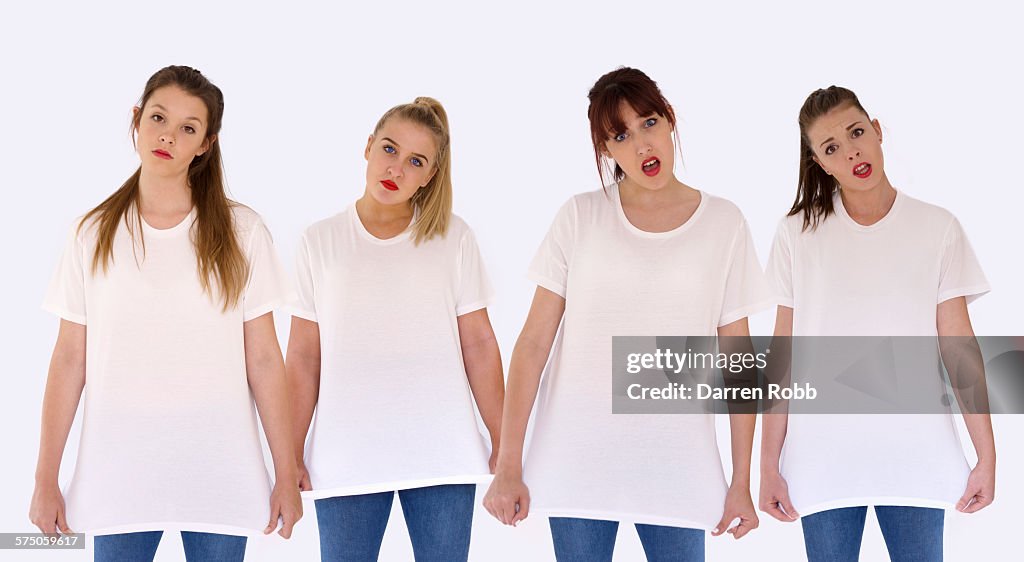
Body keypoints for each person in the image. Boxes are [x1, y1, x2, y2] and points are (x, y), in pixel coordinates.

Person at [483, 67, 770, 562]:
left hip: (679, 469)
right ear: (606, 151)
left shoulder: (724, 223)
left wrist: (741, 480)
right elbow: (532, 345)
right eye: (621, 135)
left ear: (670, 120)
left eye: (649, 122)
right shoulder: (580, 216)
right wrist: (509, 464)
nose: (642, 145)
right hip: (577, 463)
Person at [30, 65, 302, 562]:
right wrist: (45, 478)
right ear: (136, 119)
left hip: (220, 472)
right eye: (158, 117)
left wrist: (286, 471)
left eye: (188, 128)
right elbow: (71, 359)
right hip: (117, 479)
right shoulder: (90, 234)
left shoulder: (243, 232)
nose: (167, 136)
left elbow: (264, 359)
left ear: (205, 144)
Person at [759, 85, 996, 562]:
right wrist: (767, 465)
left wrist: (986, 456)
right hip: (822, 460)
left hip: (917, 457)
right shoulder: (797, 234)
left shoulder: (937, 228)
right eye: (832, 149)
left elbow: (960, 351)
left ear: (878, 131)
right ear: (821, 164)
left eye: (856, 133)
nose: (851, 152)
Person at [285, 97, 504, 562]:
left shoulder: (453, 237)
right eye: (389, 149)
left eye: (415, 161)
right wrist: (289, 453)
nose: (396, 168)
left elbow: (480, 345)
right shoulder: (320, 241)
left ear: (430, 174)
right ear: (367, 147)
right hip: (345, 460)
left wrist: (504, 438)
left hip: (442, 457)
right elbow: (304, 357)